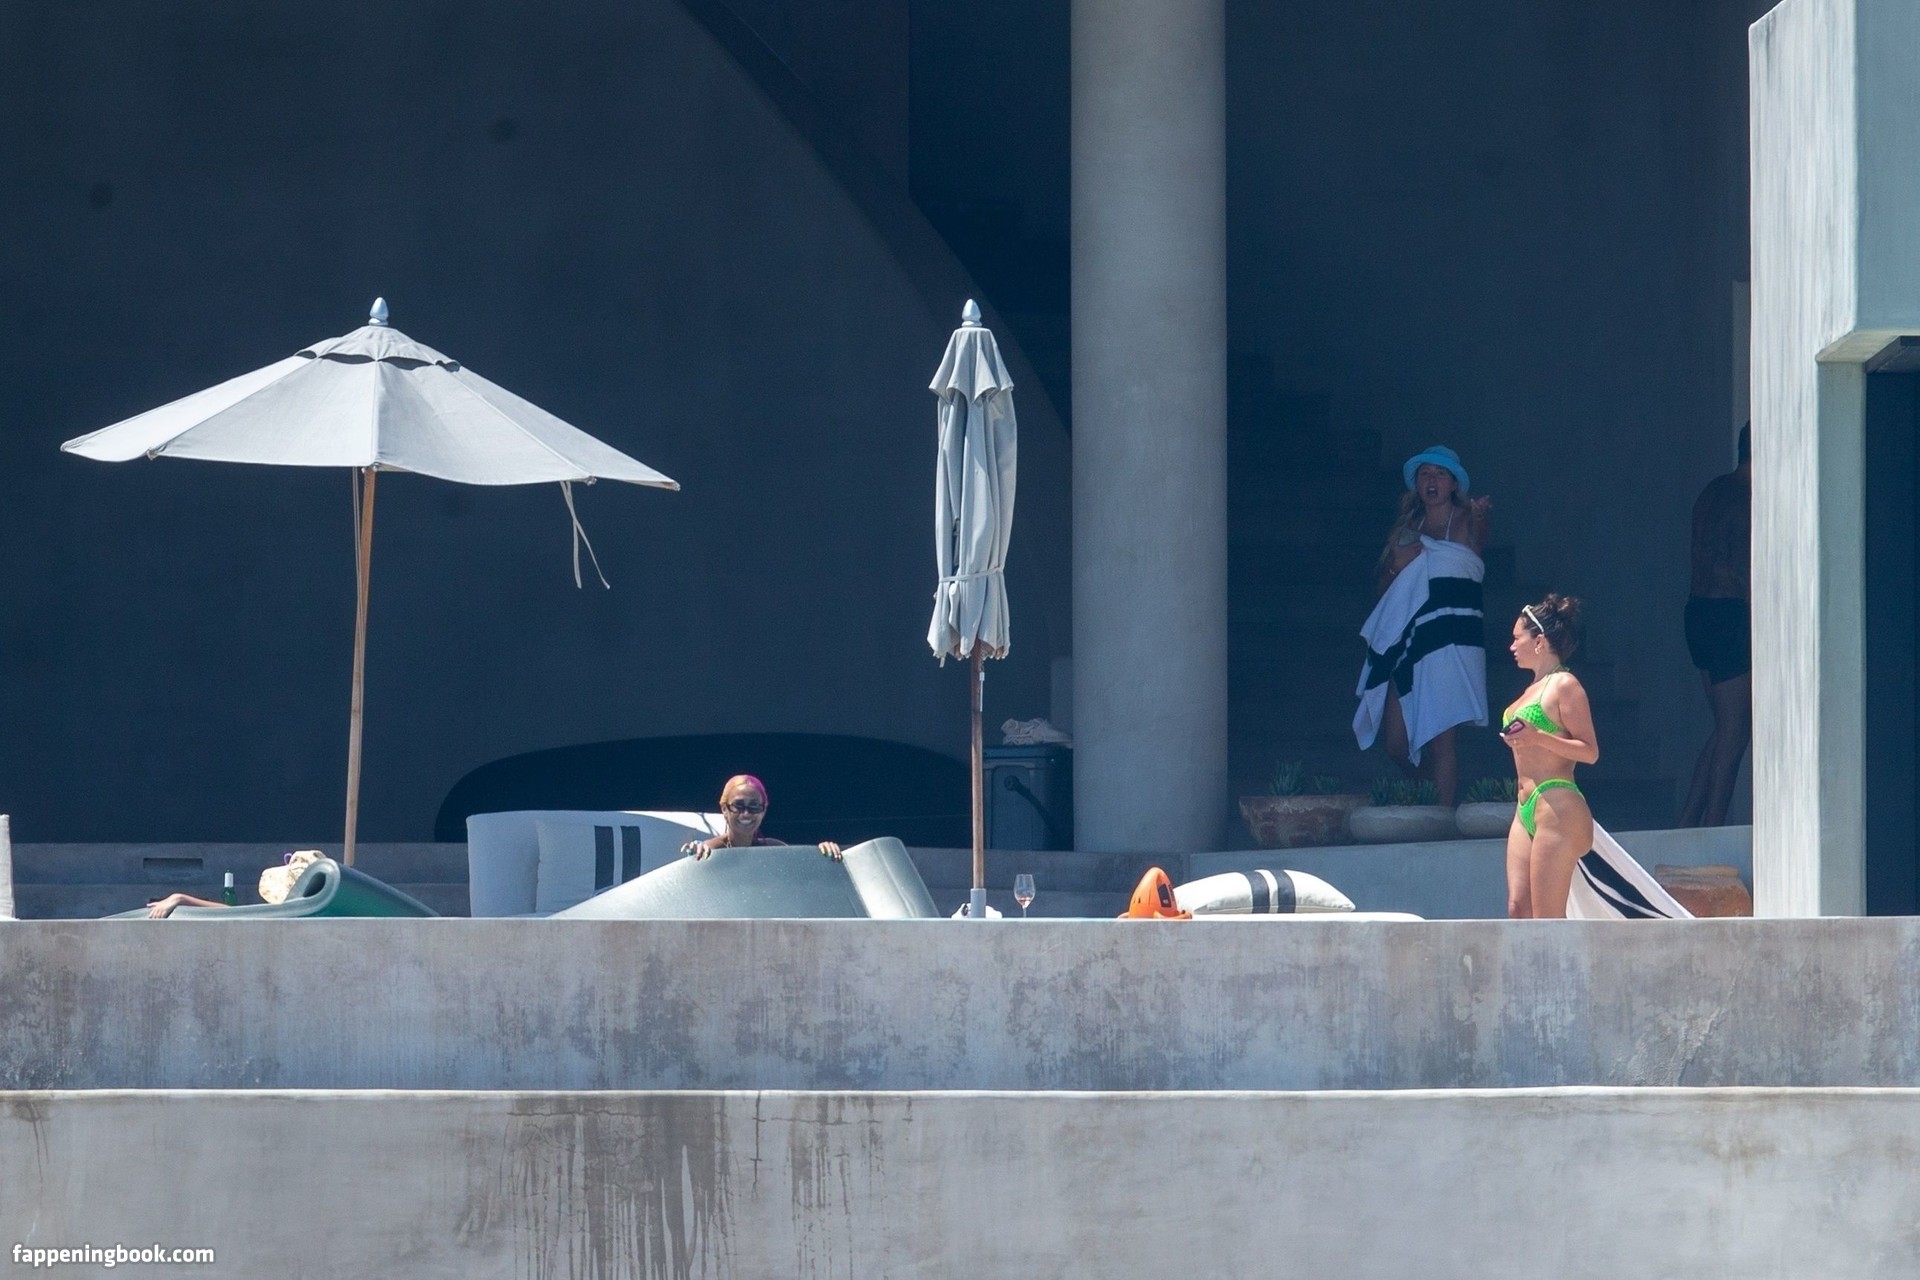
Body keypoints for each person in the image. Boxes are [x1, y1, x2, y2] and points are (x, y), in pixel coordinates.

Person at [1501, 595, 1690, 920]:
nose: (1512, 646)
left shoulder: (1565, 685)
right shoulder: (1528, 691)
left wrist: (1537, 737)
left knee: (1547, 918)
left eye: (1518, 638)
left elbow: (1589, 751)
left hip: (1557, 805)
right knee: (1518, 909)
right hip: (1524, 808)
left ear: (1539, 641)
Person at [1355, 445, 1492, 806]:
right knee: (1395, 744)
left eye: (1440, 474)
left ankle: (1440, 818)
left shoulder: (1466, 520)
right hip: (1410, 642)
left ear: (1453, 484)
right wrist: (1396, 565)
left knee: (1442, 740)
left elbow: (1478, 544)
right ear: (1417, 484)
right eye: (1425, 474)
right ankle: (1429, 791)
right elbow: (1386, 592)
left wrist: (1481, 517)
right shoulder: (1406, 530)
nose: (1432, 480)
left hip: (1451, 640)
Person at [1680, 424, 1751, 827]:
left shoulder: (1714, 489)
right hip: (1728, 613)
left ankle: (1689, 821)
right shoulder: (1749, 496)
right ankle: (1713, 826)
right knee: (1735, 730)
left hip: (1699, 611)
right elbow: (1742, 567)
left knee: (1725, 727)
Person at [679, 775, 843, 860]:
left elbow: (805, 872)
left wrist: (823, 852)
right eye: (738, 805)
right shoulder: (711, 851)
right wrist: (695, 852)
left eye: (754, 806)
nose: (746, 813)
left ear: (763, 810)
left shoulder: (775, 849)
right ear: (724, 809)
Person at [146, 850, 324, 917]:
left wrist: (180, 898)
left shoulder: (284, 917)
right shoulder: (327, 915)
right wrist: (181, 898)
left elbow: (232, 914)